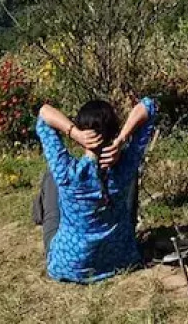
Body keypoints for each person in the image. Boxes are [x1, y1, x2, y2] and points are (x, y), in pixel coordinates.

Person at [34, 96, 157, 283]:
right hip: (121, 259)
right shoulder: (125, 166)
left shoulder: (66, 172)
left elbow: (43, 114)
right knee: (129, 176)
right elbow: (149, 106)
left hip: (70, 264)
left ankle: (37, 213)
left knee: (51, 178)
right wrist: (122, 139)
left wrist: (73, 132)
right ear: (114, 131)